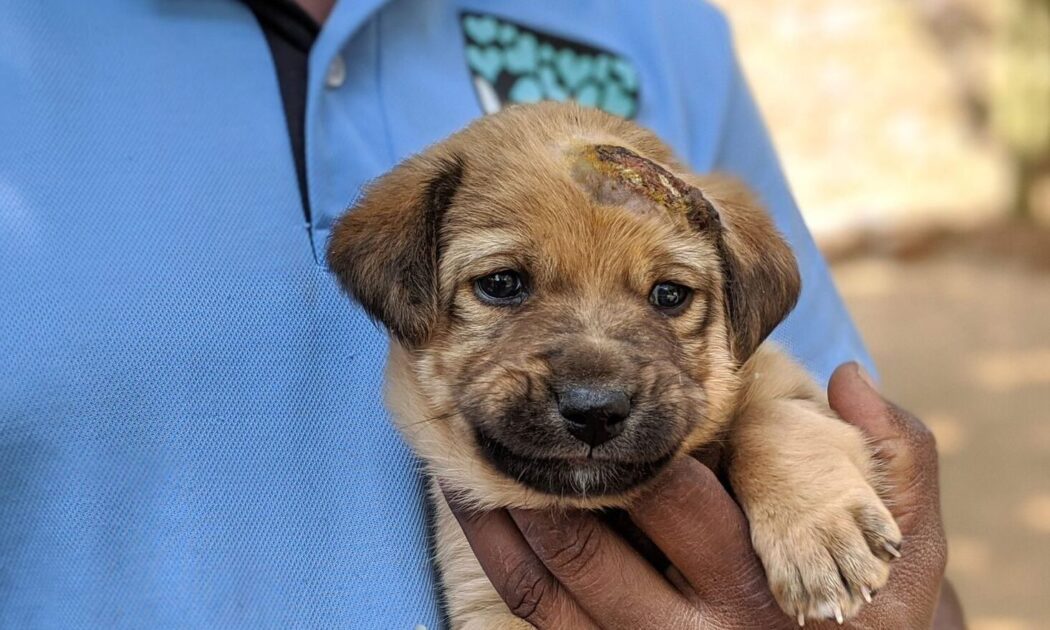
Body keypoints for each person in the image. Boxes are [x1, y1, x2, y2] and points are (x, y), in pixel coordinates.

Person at [0, 1, 963, 627]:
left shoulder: (661, 26)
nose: (594, 379)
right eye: (503, 284)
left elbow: (823, 433)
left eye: (668, 296)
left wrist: (851, 547)